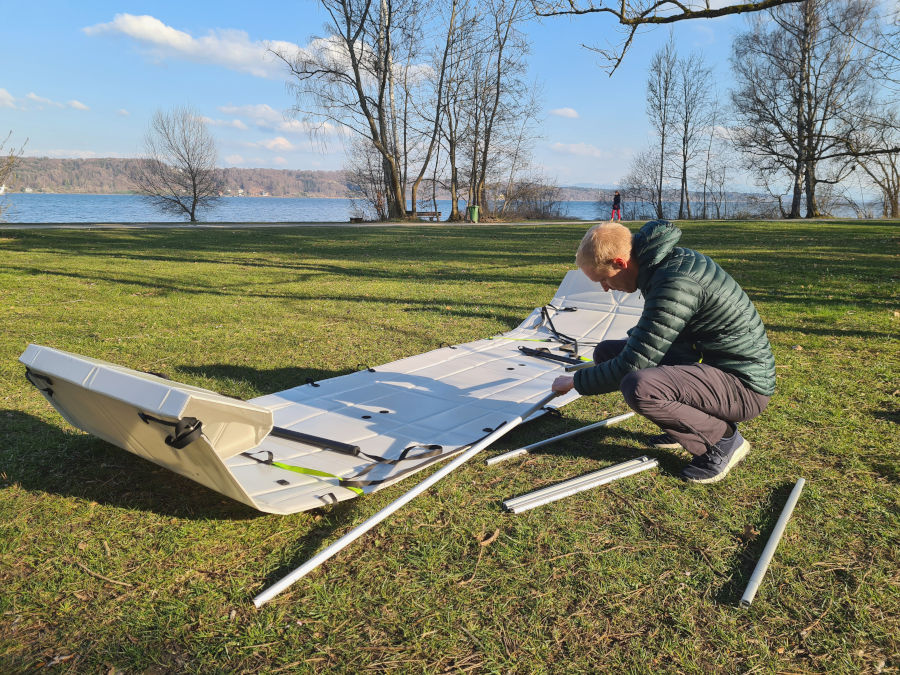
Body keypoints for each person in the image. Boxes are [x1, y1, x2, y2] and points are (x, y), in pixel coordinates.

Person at [551, 220, 775, 483]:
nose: (605, 288)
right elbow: (663, 334)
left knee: (640, 386)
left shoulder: (675, 281)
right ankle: (684, 428)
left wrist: (576, 381)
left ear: (621, 263)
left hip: (744, 386)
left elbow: (631, 366)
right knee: (606, 352)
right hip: (713, 366)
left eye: (604, 279)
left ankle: (723, 441)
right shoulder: (660, 265)